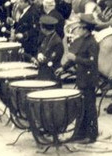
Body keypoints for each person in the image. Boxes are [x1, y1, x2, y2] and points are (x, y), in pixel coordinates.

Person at [66, 12, 100, 143]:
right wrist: (64, 67)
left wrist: (76, 59)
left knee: (89, 108)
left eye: (81, 27)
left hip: (88, 79)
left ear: (86, 30)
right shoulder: (82, 41)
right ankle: (80, 132)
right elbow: (75, 56)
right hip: (82, 78)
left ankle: (91, 135)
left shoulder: (92, 43)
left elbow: (91, 62)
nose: (78, 29)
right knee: (81, 107)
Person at [36, 14, 64, 83]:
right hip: (44, 71)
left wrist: (42, 59)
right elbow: (41, 48)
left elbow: (53, 58)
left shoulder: (57, 41)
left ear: (44, 28)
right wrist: (39, 54)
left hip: (51, 73)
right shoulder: (47, 37)